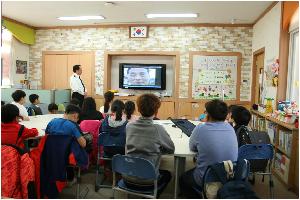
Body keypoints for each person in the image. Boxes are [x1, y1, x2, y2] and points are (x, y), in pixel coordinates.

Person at [179, 99, 238, 198]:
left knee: (183, 178)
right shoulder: (230, 128)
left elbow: (192, 147)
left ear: (208, 114)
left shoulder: (200, 128)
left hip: (207, 177)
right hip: (228, 175)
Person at [124, 94, 174, 197]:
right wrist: (157, 151)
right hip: (148, 181)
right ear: (156, 111)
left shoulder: (129, 126)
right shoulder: (158, 129)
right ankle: (152, 195)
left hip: (127, 177)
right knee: (168, 174)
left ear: (138, 109)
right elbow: (171, 149)